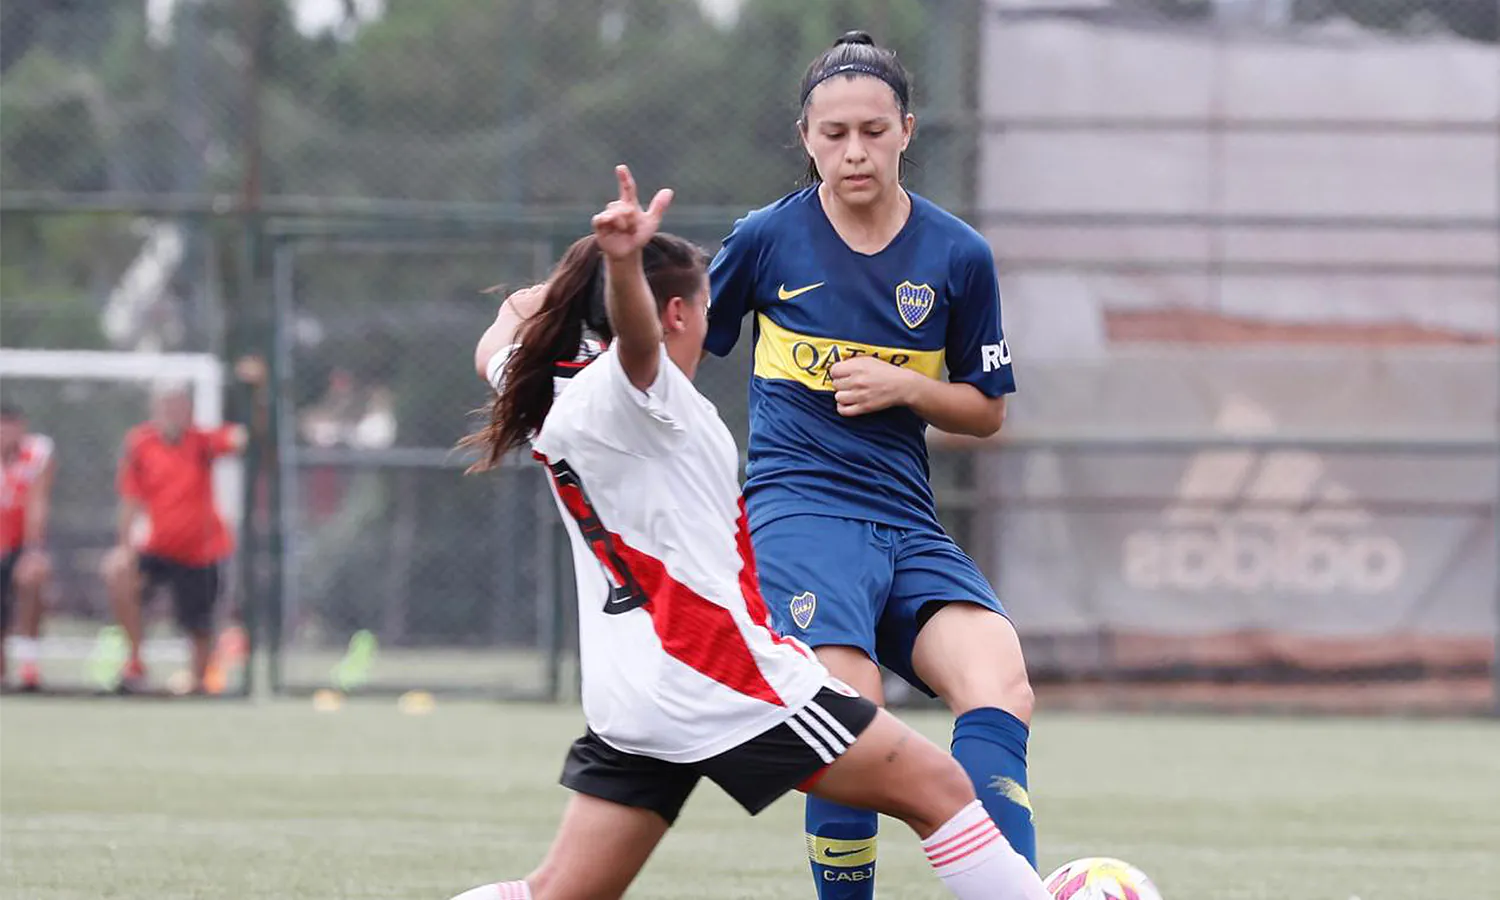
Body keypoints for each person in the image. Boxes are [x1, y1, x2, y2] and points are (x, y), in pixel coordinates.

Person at [447, 166, 1050, 900]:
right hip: (721, 677)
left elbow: (503, 331)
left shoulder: (551, 393)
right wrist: (619, 266)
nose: (713, 314)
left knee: (557, 893)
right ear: (674, 315)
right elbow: (638, 343)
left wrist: (585, 278)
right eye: (701, 303)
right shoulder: (645, 394)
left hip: (631, 694)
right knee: (941, 793)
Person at [703, 31, 1038, 895]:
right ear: (807, 138)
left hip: (905, 520)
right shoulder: (767, 240)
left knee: (999, 679)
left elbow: (987, 409)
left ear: (907, 131)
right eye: (835, 133)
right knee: (846, 716)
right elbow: (679, 343)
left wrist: (907, 387)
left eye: (873, 131)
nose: (855, 151)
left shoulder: (958, 255)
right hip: (798, 510)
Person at [100, 358, 266, 694]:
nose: (173, 411)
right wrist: (124, 547)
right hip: (158, 548)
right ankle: (134, 663)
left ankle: (198, 679)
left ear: (189, 409)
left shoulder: (202, 441)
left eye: (180, 405)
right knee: (118, 572)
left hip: (202, 551)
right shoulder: (140, 443)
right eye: (167, 405)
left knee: (199, 628)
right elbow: (131, 500)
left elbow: (250, 439)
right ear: (155, 408)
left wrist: (256, 393)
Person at [0, 404, 56, 692]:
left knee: (32, 576)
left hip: (20, 545)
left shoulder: (37, 453)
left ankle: (29, 663)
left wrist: (33, 550)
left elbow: (38, 503)